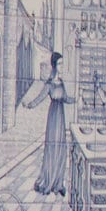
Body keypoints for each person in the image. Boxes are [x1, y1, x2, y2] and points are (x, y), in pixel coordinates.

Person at [23, 51, 72, 195]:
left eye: (63, 63)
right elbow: (39, 98)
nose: (62, 66)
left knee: (61, 149)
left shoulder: (61, 83)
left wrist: (77, 99)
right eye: (60, 63)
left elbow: (66, 98)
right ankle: (49, 182)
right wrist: (29, 105)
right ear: (55, 65)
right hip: (53, 117)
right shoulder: (50, 84)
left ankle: (58, 183)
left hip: (60, 117)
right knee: (52, 148)